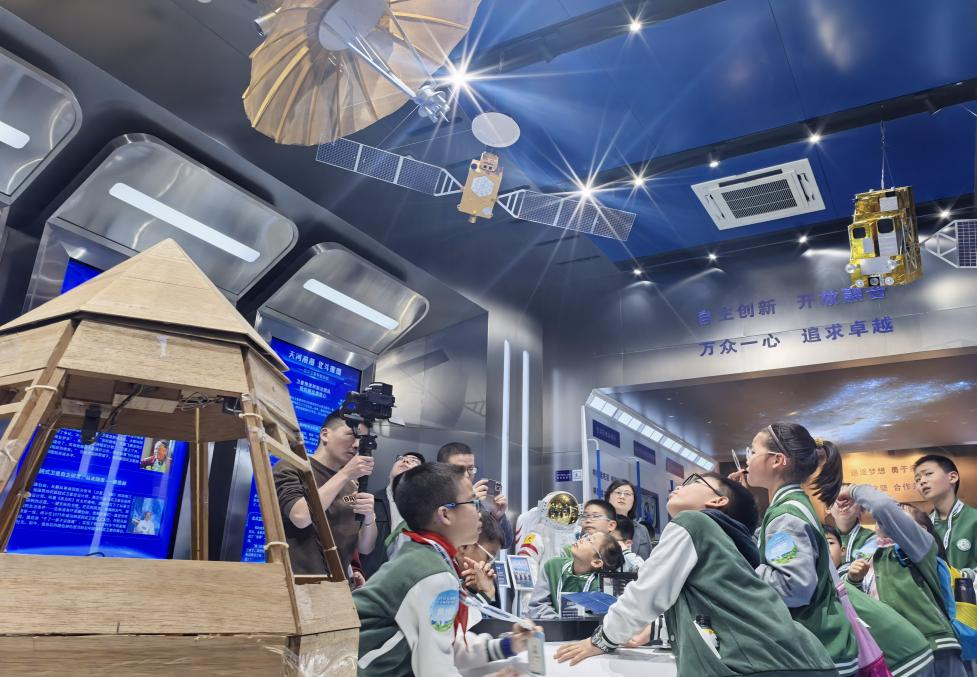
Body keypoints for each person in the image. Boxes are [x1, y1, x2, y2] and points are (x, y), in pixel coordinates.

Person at [555, 472, 837, 676]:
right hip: (795, 659)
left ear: (718, 501)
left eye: (694, 481)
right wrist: (653, 630)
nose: (680, 485)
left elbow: (646, 593)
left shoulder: (693, 523)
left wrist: (602, 639)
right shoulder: (730, 543)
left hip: (764, 665)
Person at [353, 463, 535, 676]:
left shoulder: (424, 555)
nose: (480, 512)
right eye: (473, 502)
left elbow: (444, 645)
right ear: (445, 514)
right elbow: (435, 667)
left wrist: (508, 645)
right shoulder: (432, 573)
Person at [735, 424, 859, 676]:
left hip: (814, 650)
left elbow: (792, 587)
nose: (747, 459)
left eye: (752, 451)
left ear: (777, 460)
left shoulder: (786, 516)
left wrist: (739, 571)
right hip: (818, 648)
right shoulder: (789, 507)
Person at [840, 483, 967, 676]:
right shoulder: (869, 555)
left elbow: (882, 507)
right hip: (899, 655)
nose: (889, 517)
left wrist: (852, 490)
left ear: (921, 529)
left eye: (899, 512)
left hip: (934, 647)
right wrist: (854, 581)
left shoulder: (919, 546)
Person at [273, 410, 376, 578]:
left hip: (340, 586)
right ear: (325, 434)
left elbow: (365, 548)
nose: (357, 444)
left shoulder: (351, 485)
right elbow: (301, 517)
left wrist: (369, 516)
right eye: (352, 435)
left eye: (362, 439)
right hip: (298, 583)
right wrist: (345, 474)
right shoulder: (292, 467)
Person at [823, 523, 935, 677]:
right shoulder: (838, 578)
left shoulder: (849, 570)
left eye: (829, 543)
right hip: (899, 652)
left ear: (843, 550)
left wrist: (853, 578)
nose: (825, 549)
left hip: (902, 655)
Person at [527, 531, 623, 619]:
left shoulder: (602, 586)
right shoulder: (553, 566)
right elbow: (537, 605)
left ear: (596, 562)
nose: (582, 539)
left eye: (590, 541)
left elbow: (600, 619)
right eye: (586, 536)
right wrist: (557, 622)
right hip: (551, 629)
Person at [437, 442, 514, 548]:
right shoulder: (433, 499)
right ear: (442, 470)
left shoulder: (480, 500)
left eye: (470, 469)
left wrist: (497, 517)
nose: (466, 475)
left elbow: (505, 543)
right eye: (459, 469)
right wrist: (467, 503)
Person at [362, 451, 425, 578]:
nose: (405, 460)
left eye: (414, 461)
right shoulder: (369, 501)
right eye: (401, 458)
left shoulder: (426, 510)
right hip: (372, 577)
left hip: (409, 578)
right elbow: (362, 548)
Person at [914, 454, 977, 576]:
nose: (922, 481)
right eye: (917, 479)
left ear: (952, 477)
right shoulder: (923, 526)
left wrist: (963, 577)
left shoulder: (974, 519)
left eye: (928, 474)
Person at [455, 510, 506, 605]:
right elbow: (462, 614)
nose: (488, 565)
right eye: (488, 557)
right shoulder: (443, 575)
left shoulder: (462, 579)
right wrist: (486, 594)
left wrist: (474, 589)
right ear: (464, 546)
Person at [827, 485, 877, 573]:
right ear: (828, 508)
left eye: (849, 498)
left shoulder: (873, 538)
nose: (843, 503)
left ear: (862, 508)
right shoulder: (820, 534)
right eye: (836, 498)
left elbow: (862, 567)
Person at [605, 479, 653, 559]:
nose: (622, 497)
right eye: (618, 493)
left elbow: (649, 560)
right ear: (608, 497)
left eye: (627, 494)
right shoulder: (598, 525)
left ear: (634, 500)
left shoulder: (642, 530)